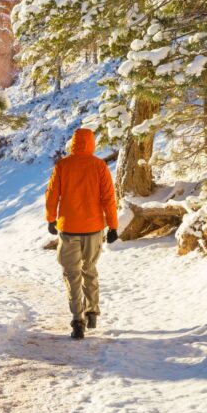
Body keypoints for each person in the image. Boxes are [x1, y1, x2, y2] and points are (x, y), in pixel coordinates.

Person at [45, 128, 119, 339]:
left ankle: (78, 319)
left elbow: (52, 195)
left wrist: (51, 219)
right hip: (94, 229)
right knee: (89, 269)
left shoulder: (62, 165)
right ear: (91, 144)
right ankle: (92, 311)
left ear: (73, 144)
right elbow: (108, 199)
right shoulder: (99, 166)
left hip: (68, 229)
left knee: (71, 274)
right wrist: (113, 226)